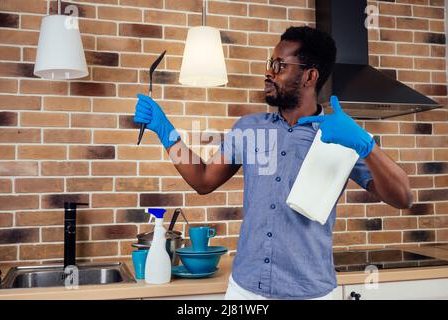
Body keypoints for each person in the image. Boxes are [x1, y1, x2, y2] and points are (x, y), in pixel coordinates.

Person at [133, 26, 413, 300]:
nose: (268, 72)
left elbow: (403, 198)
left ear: (309, 76)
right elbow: (203, 180)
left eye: (279, 65)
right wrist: (164, 128)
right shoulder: (249, 129)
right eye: (270, 63)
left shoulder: (340, 135)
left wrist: (365, 145)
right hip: (245, 291)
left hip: (309, 293)